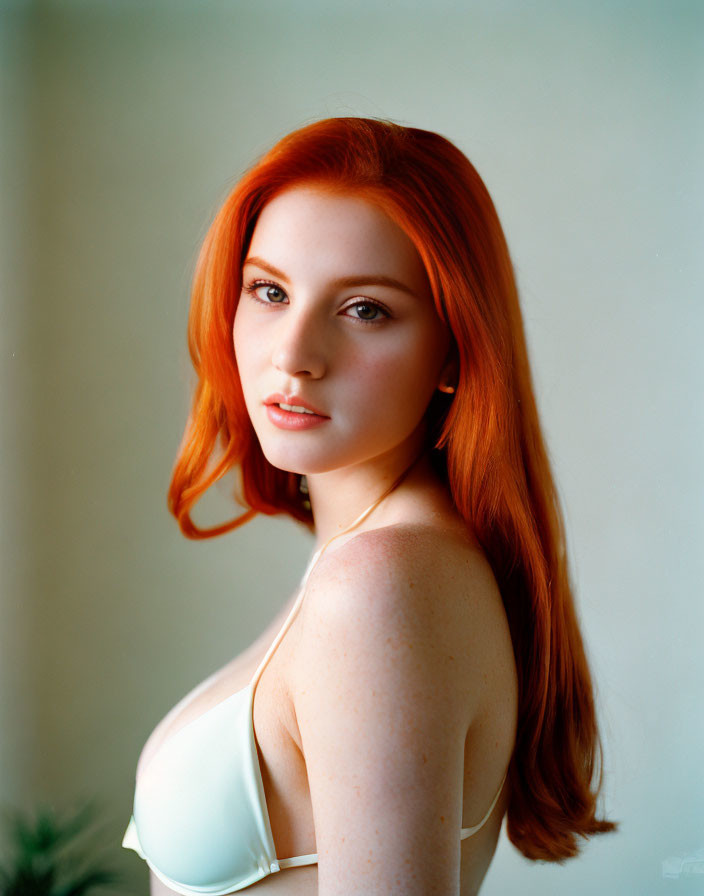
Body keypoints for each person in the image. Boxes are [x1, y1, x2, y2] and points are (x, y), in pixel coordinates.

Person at [122, 117, 617, 896]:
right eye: (270, 291)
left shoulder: (381, 582)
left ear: (453, 350)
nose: (293, 354)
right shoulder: (377, 560)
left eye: (365, 310)